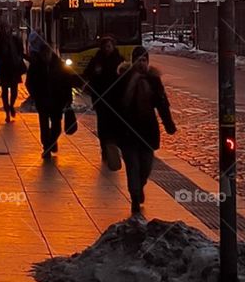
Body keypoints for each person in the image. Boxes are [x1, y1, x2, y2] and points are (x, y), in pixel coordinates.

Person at [111, 46, 175, 215]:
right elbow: (115, 105)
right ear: (133, 62)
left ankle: (139, 187)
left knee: (145, 167)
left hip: (147, 131)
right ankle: (135, 197)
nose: (141, 64)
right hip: (127, 132)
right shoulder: (123, 79)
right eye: (138, 60)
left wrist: (169, 124)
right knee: (133, 166)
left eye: (144, 60)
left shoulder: (153, 80)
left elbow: (162, 104)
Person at [26, 41, 77, 159]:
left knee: (57, 128)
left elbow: (67, 83)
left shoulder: (59, 65)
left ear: (51, 53)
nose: (46, 57)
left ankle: (52, 142)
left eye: (47, 54)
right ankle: (46, 148)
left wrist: (68, 99)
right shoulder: (35, 66)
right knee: (44, 126)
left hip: (57, 102)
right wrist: (35, 96)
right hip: (42, 101)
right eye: (44, 54)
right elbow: (29, 83)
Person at [83, 35, 123, 168]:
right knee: (103, 125)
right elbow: (87, 74)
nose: (107, 49)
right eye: (105, 46)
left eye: (109, 46)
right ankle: (105, 148)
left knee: (114, 124)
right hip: (100, 98)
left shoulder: (119, 61)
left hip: (115, 99)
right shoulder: (96, 60)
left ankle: (112, 147)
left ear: (113, 47)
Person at [0, 24, 27, 121]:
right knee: (4, 92)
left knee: (14, 91)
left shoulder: (15, 40)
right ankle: (7, 112)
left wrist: (20, 58)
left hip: (13, 68)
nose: (6, 31)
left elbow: (20, 51)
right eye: (4, 29)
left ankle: (11, 105)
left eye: (7, 29)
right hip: (3, 69)